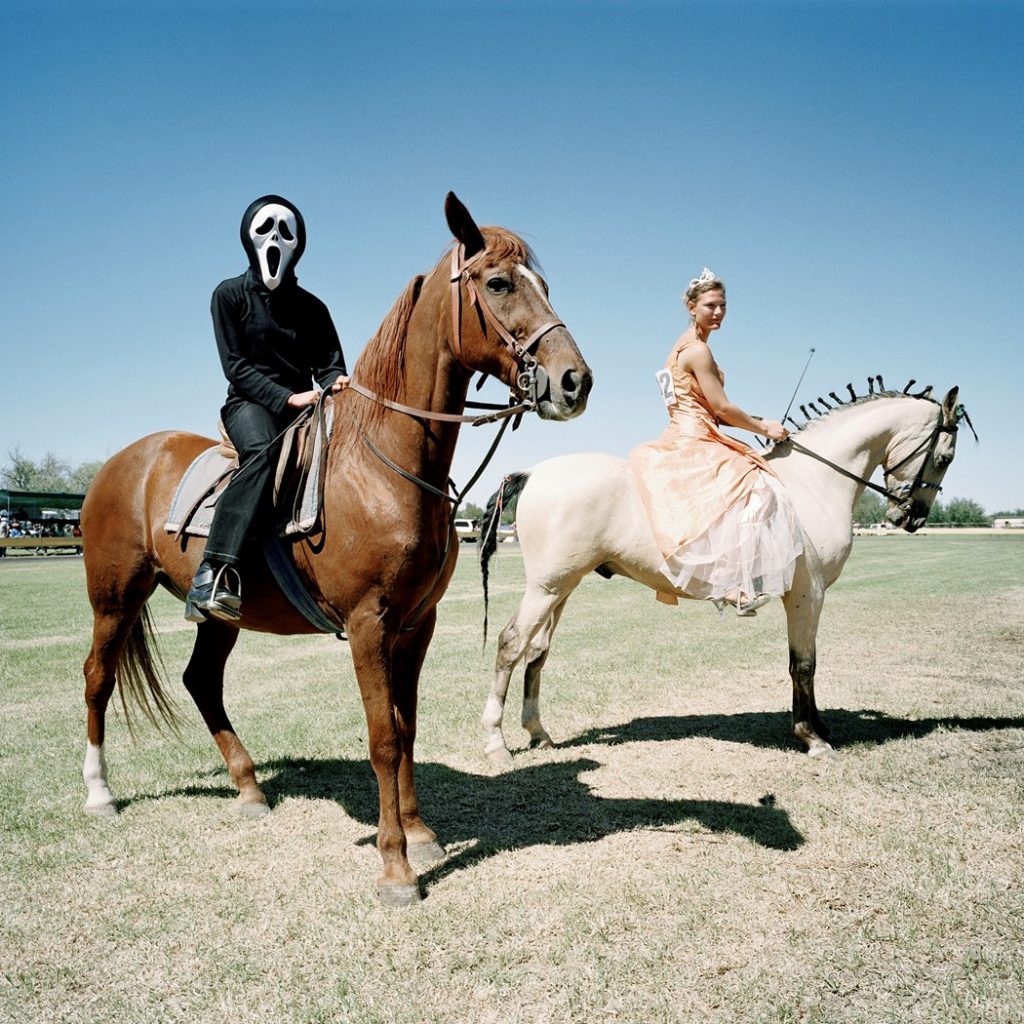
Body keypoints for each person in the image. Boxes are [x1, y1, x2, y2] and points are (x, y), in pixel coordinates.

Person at [186, 195, 349, 623]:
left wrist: (337, 382)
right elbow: (235, 367)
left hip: (304, 409)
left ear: (299, 243)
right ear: (248, 238)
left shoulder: (314, 308)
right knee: (262, 451)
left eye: (285, 231)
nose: (275, 238)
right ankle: (213, 571)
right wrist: (287, 397)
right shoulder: (229, 295)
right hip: (250, 405)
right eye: (265, 229)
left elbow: (330, 365)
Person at [629, 268, 803, 615]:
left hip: (685, 430)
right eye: (710, 305)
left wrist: (754, 421)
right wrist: (764, 428)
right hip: (695, 436)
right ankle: (732, 583)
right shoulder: (698, 352)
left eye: (723, 305)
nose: (719, 312)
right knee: (761, 487)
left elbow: (709, 408)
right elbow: (721, 407)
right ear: (691, 307)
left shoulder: (678, 349)